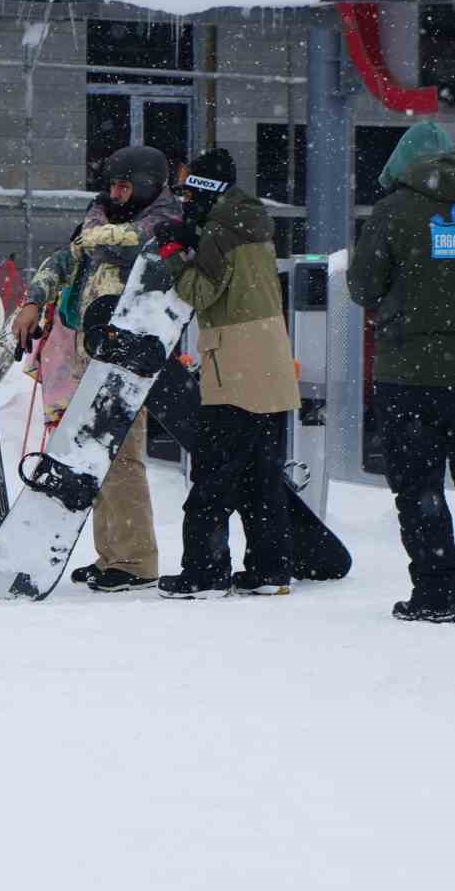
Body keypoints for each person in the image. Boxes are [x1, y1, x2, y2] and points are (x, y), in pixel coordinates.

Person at [348, 122, 455, 622]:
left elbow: (362, 287)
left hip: (406, 374)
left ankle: (436, 592)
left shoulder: (392, 212)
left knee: (419, 485)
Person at [10, 145, 180, 592]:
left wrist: (95, 234)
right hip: (92, 353)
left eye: (124, 186)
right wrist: (33, 299)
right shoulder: (100, 218)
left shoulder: (164, 224)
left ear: (145, 185)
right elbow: (66, 260)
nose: (115, 194)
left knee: (120, 456)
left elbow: (136, 241)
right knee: (95, 457)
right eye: (111, 186)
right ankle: (112, 554)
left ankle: (135, 560)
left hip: (130, 358)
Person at [153, 149, 301, 598]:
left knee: (213, 473)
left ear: (205, 190)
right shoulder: (251, 220)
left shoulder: (220, 231)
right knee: (262, 475)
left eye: (190, 191)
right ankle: (270, 569)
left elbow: (201, 290)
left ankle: (204, 571)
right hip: (271, 359)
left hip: (233, 361)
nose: (185, 202)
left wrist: (174, 252)